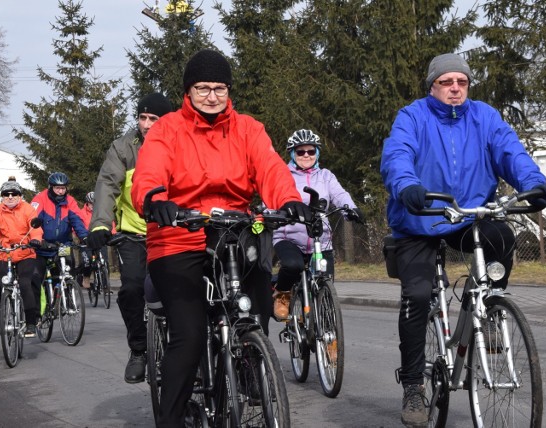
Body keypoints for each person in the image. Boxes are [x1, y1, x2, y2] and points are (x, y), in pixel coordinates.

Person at [130, 48, 311, 427]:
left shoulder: (248, 128)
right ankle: (172, 419)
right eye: (202, 88)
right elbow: (150, 171)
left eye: (220, 88)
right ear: (188, 91)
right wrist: (154, 200)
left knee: (253, 313)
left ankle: (249, 364)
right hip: (180, 236)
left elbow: (270, 167)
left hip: (234, 232)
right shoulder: (166, 130)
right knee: (190, 333)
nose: (212, 96)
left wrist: (290, 200)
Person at [380, 52, 546, 427]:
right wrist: (407, 185)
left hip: (468, 213)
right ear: (433, 86)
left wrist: (533, 184)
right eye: (447, 82)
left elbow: (510, 152)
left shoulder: (484, 117)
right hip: (421, 218)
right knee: (415, 296)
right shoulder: (413, 117)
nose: (455, 88)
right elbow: (398, 155)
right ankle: (413, 385)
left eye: (461, 82)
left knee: (501, 237)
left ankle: (488, 311)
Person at [86, 91, 174, 384]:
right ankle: (138, 351)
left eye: (153, 118)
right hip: (134, 234)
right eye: (142, 117)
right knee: (131, 289)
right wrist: (100, 224)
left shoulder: (178, 144)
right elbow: (107, 184)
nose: (147, 124)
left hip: (172, 232)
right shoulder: (123, 147)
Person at [271, 129, 365, 321]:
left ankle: (330, 336)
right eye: (300, 152)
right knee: (292, 265)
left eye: (311, 151)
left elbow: (339, 195)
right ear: (292, 153)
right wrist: (271, 214)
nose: (306, 155)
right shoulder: (282, 175)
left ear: (317, 154)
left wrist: (352, 209)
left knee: (326, 289)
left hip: (320, 240)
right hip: (290, 237)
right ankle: (282, 294)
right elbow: (271, 196)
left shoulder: (325, 176)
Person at [0, 181, 43, 336]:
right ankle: (1, 319)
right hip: (4, 253)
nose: (10, 197)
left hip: (25, 252)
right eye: (6, 194)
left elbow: (35, 228)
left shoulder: (28, 209)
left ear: (20, 196)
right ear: (2, 197)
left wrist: (36, 240)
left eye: (14, 194)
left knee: (25, 283)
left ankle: (31, 322)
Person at [31, 172, 89, 316]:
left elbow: (77, 220)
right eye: (57, 188)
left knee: (68, 272)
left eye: (63, 188)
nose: (61, 191)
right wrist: (37, 240)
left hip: (63, 244)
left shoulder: (70, 201)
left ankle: (68, 299)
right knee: (37, 277)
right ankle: (37, 311)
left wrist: (84, 237)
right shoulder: (40, 199)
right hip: (43, 245)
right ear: (50, 187)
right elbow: (32, 221)